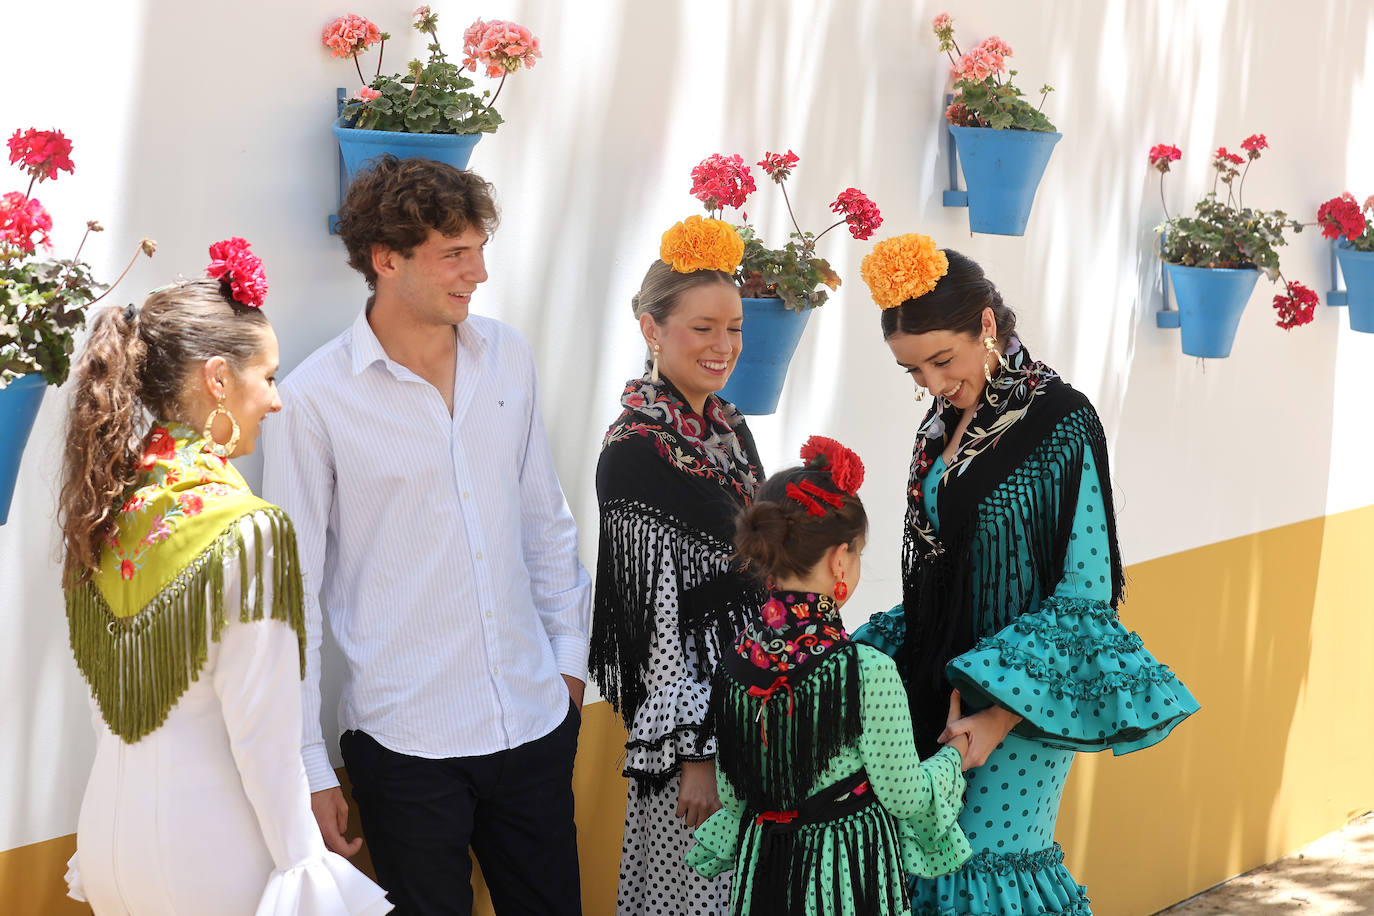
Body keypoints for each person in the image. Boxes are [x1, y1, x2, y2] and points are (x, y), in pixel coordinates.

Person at [261, 156, 591, 916]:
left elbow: (545, 520)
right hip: (405, 747)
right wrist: (308, 763)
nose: (478, 273)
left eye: (479, 250)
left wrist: (567, 667)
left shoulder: (508, 356)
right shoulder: (313, 401)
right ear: (387, 259)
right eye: (454, 254)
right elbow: (290, 597)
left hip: (534, 722)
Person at [854, 234, 1201, 914]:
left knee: (986, 871)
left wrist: (1000, 717)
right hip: (934, 688)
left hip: (1024, 705)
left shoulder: (1060, 419)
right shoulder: (940, 425)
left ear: (986, 324)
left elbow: (1086, 590)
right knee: (924, 874)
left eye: (942, 360)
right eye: (913, 370)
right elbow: (939, 573)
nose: (932, 384)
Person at [57, 241, 391, 916]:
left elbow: (108, 709)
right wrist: (304, 866)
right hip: (211, 855)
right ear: (217, 379)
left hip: (111, 843)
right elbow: (264, 738)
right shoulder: (249, 529)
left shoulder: (105, 506)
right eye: (267, 376)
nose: (276, 400)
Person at [688, 437, 975, 916]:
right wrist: (955, 756)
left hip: (765, 873)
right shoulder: (865, 671)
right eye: (858, 554)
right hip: (843, 876)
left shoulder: (735, 664)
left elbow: (735, 795)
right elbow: (906, 796)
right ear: (839, 560)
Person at [590, 215, 764, 916]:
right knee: (696, 897)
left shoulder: (728, 426)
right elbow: (655, 622)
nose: (724, 346)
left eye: (735, 328)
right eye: (703, 328)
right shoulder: (634, 452)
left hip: (755, 705)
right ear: (651, 330)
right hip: (693, 738)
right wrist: (697, 753)